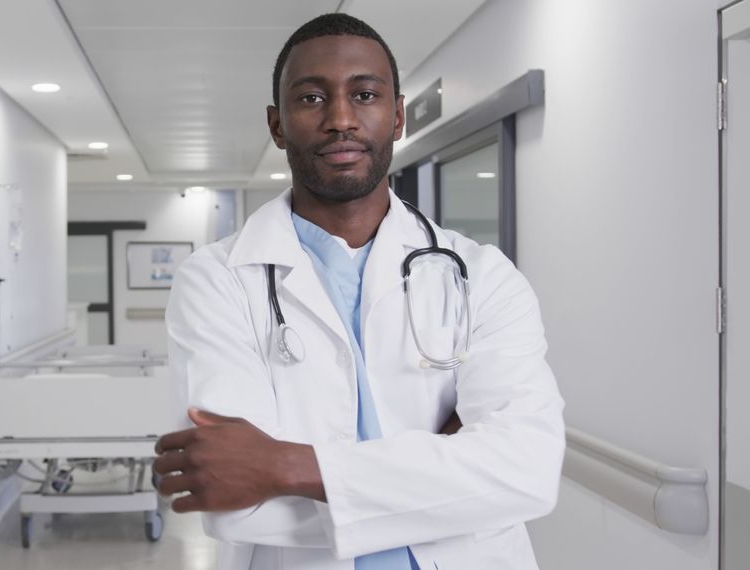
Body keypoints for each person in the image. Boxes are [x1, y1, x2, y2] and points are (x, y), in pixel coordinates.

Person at [153, 13, 565, 570]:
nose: (341, 119)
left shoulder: (482, 276)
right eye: (311, 98)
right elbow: (234, 502)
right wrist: (448, 464)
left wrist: (287, 466)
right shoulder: (217, 280)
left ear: (396, 117)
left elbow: (526, 471)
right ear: (277, 125)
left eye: (365, 94)